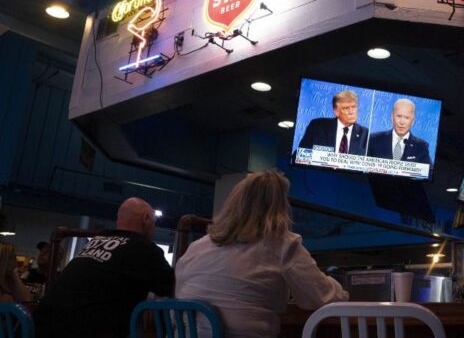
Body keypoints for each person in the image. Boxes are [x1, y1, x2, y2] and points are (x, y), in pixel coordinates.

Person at [175, 169, 349, 338]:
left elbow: (179, 293)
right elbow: (319, 298)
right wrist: (342, 292)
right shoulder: (283, 245)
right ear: (280, 208)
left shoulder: (196, 247)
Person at [34, 197, 174, 338]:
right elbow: (173, 287)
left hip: (39, 328)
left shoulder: (96, 241)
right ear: (146, 218)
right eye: (154, 223)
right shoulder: (144, 247)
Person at [298, 90, 369, 155]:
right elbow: (300, 155)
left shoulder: (365, 134)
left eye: (354, 107)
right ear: (336, 111)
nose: (351, 112)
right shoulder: (317, 127)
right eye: (346, 108)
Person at [367, 98, 432, 165]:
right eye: (399, 116)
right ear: (392, 117)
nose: (402, 122)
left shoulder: (421, 147)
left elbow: (428, 173)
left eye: (407, 118)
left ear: (412, 121)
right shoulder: (374, 140)